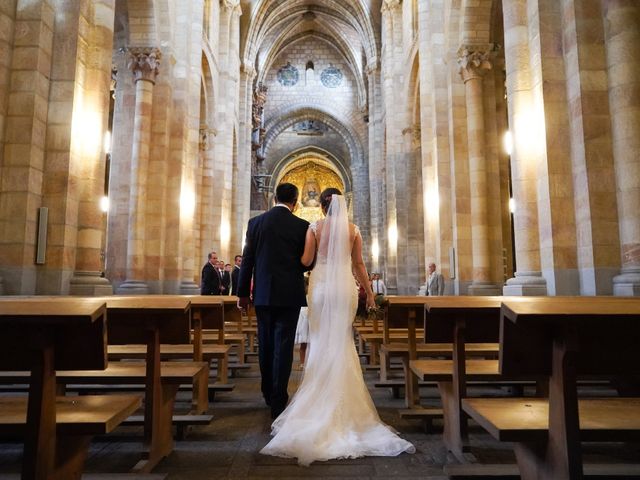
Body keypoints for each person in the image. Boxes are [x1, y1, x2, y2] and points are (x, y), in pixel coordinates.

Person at [260, 188, 415, 465]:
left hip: (320, 288)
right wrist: (368, 292)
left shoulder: (315, 228)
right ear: (343, 205)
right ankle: (346, 406)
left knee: (319, 340)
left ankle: (317, 402)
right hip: (345, 289)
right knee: (343, 340)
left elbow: (306, 261)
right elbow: (358, 264)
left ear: (321, 207)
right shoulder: (353, 230)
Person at [237, 183, 310, 419]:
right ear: (296, 202)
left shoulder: (256, 223)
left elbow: (247, 260)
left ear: (274, 199)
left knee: (266, 343)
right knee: (284, 346)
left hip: (263, 294)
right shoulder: (302, 226)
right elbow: (307, 263)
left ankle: (267, 392)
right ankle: (279, 398)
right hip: (290, 294)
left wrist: (242, 294)